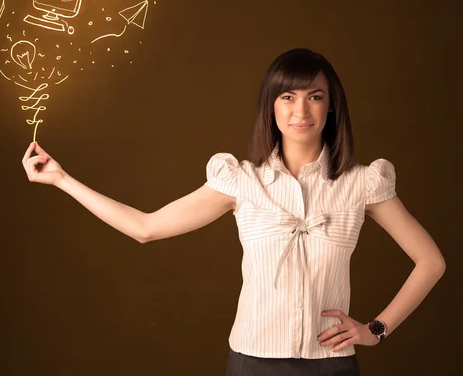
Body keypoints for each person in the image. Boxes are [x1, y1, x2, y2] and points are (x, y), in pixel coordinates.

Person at [22, 48, 446, 376]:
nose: (301, 111)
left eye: (315, 97)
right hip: (252, 364)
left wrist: (375, 330)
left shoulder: (362, 182)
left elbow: (430, 262)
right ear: (272, 106)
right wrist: (61, 179)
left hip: (331, 364)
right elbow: (145, 228)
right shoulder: (241, 180)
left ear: (331, 106)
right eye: (288, 96)